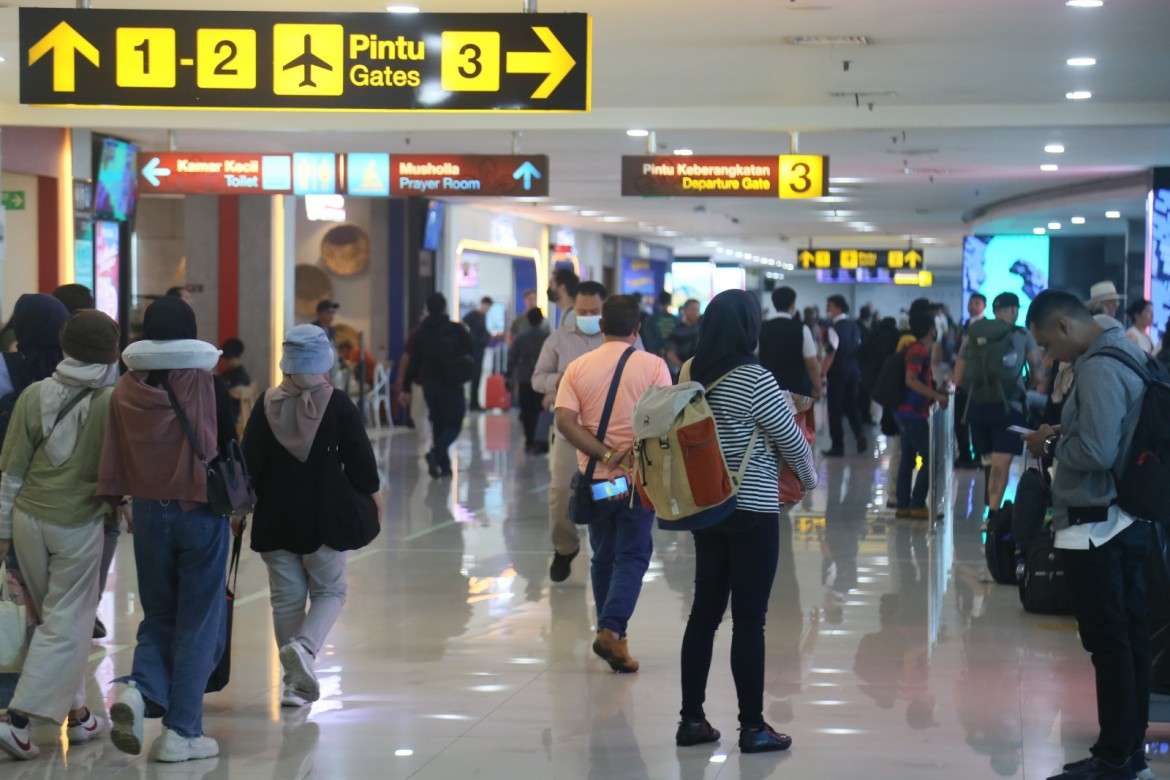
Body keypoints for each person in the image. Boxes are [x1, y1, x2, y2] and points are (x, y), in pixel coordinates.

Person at [674, 290, 817, 754]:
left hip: (707, 506)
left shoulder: (690, 371)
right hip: (752, 509)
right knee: (749, 620)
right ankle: (752, 726)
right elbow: (792, 442)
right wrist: (809, 479)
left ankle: (691, 719)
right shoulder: (755, 378)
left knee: (704, 613)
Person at [98, 296, 237, 763]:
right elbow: (227, 444)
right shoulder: (206, 386)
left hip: (148, 515)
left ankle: (136, 688)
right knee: (198, 621)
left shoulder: (124, 390)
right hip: (199, 511)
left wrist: (115, 499)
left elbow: (113, 456)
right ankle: (182, 731)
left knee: (159, 615)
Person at [1023, 291, 1152, 780]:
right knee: (1128, 638)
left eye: (1048, 345)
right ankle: (1126, 750)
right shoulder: (1126, 351)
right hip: (1125, 516)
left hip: (1096, 522)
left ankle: (1115, 755)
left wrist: (1051, 441)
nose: (1049, 357)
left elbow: (1096, 450)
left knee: (1109, 643)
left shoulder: (1097, 369)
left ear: (1063, 325)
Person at [0, 311, 120, 760]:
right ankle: (18, 721)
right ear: (110, 352)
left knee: (52, 621)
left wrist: (3, 531)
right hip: (79, 524)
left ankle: (80, 714)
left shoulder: (33, 395)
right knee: (66, 624)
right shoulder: (113, 400)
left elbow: (10, 471)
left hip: (29, 519)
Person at [243, 325, 380, 709]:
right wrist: (373, 495)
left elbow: (248, 463)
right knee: (330, 591)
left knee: (286, 601)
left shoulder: (266, 403)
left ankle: (294, 686)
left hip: (275, 516)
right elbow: (362, 467)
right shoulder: (336, 404)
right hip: (326, 517)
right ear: (325, 362)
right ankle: (304, 648)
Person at [554, 294, 670, 674]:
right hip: (637, 483)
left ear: (601, 327)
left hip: (599, 484)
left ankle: (614, 638)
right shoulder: (654, 367)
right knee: (633, 555)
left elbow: (565, 422)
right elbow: (666, 424)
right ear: (637, 330)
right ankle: (612, 629)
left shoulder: (577, 367)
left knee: (603, 556)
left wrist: (604, 455)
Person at [531, 281, 609, 582]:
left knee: (611, 492)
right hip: (568, 432)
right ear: (573, 308)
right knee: (561, 492)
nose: (588, 316)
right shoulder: (557, 340)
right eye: (582, 311)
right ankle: (565, 547)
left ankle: (604, 547)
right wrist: (560, 380)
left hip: (608, 435)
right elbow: (537, 379)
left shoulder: (618, 338)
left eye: (595, 311)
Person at [954, 292, 1044, 513]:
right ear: (1013, 310)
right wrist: (1028, 386)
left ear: (994, 310)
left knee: (987, 460)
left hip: (976, 406)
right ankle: (993, 513)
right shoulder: (1022, 335)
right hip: (1009, 408)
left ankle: (987, 504)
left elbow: (958, 377)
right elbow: (1038, 373)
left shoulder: (972, 335)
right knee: (1001, 464)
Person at [403, 293, 474, 479]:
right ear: (444, 308)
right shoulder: (456, 330)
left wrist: (405, 386)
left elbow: (413, 362)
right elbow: (470, 351)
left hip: (430, 385)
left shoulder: (420, 333)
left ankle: (444, 465)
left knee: (438, 422)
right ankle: (436, 453)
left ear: (427, 308)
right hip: (452, 383)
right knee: (455, 422)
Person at [894, 310, 949, 519]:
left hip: (906, 412)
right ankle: (917, 503)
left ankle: (903, 504)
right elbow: (911, 380)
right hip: (913, 413)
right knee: (932, 456)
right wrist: (936, 395)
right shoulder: (919, 351)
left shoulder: (915, 349)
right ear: (930, 330)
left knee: (908, 459)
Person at [822, 295, 868, 457]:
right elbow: (859, 346)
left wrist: (822, 373)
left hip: (838, 372)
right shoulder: (855, 326)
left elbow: (831, 353)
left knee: (834, 409)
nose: (828, 309)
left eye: (830, 306)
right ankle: (860, 435)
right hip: (853, 370)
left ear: (839, 308)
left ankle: (838, 446)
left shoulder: (833, 328)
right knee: (851, 405)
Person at [759, 286, 820, 399]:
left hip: (769, 392)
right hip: (797, 391)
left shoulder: (762, 328)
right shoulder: (802, 329)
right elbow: (812, 364)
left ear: (774, 304)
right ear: (792, 305)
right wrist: (818, 387)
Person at [507, 308, 551, 454]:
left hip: (525, 378)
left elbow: (512, 357)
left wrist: (508, 376)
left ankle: (529, 440)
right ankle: (540, 441)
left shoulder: (521, 337)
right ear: (541, 320)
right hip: (543, 379)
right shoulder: (548, 337)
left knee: (526, 411)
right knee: (540, 410)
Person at [954, 294, 988, 468]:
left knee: (976, 419)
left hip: (979, 380)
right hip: (963, 379)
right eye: (971, 302)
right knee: (959, 418)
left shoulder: (988, 327)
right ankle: (964, 453)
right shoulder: (964, 325)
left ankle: (979, 455)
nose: (972, 306)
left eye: (977, 303)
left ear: (984, 306)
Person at [463, 296, 493, 412]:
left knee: (478, 377)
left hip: (480, 351)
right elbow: (464, 324)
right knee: (474, 376)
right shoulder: (473, 315)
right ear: (482, 304)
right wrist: (472, 339)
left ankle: (474, 403)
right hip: (474, 351)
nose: (487, 309)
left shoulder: (483, 316)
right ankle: (472, 403)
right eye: (487, 306)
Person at [219, 338, 252, 428]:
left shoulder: (240, 376)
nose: (224, 361)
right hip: (233, 415)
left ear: (232, 357)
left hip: (231, 417)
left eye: (227, 358)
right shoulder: (234, 373)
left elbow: (236, 392)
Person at [642, 291, 679, 359]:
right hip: (672, 355)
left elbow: (648, 338)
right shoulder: (675, 319)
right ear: (670, 302)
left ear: (658, 301)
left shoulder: (651, 319)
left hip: (655, 355)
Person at [668, 299, 702, 369]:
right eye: (693, 309)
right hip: (683, 369)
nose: (695, 312)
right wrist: (683, 367)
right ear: (685, 310)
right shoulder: (677, 330)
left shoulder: (702, 328)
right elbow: (670, 353)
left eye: (697, 310)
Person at [549, 268, 581, 332]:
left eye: (551, 284)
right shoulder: (567, 313)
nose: (549, 288)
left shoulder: (572, 317)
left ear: (562, 288)